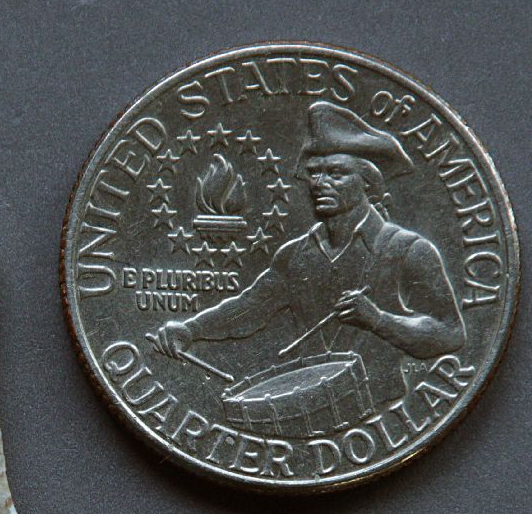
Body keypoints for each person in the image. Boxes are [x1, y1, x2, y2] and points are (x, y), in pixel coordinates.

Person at [151, 101, 465, 406]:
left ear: (368, 182)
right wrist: (190, 329)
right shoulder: (295, 254)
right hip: (307, 407)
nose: (319, 183)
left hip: (381, 407)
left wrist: (378, 320)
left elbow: (450, 334)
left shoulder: (409, 250)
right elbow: (250, 308)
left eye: (336, 173)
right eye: (314, 173)